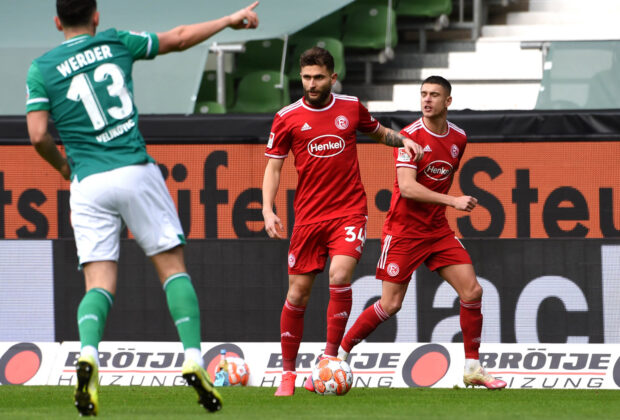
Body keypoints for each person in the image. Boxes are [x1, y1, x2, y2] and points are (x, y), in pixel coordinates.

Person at [25, 0, 259, 415]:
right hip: (134, 169)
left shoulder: (41, 69)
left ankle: (89, 353)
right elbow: (181, 38)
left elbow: (38, 134)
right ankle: (192, 356)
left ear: (57, 20)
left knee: (98, 283)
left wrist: (64, 166)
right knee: (172, 269)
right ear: (96, 16)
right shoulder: (116, 42)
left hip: (88, 182)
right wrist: (226, 19)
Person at [262, 47, 424, 397]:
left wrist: (404, 139)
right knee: (298, 293)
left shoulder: (350, 106)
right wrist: (267, 208)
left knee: (340, 274)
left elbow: (380, 133)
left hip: (349, 211)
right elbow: (273, 166)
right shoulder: (287, 117)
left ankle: (329, 358)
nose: (312, 83)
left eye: (318, 77)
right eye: (306, 77)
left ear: (332, 77)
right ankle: (288, 373)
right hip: (307, 217)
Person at [338, 75, 507, 390]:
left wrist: (444, 210)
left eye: (434, 95)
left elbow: (440, 178)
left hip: (437, 231)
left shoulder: (459, 138)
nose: (427, 99)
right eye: (423, 94)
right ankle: (338, 354)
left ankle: (472, 368)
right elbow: (408, 187)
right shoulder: (409, 137)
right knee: (390, 305)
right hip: (403, 232)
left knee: (472, 292)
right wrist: (452, 201)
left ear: (448, 102)